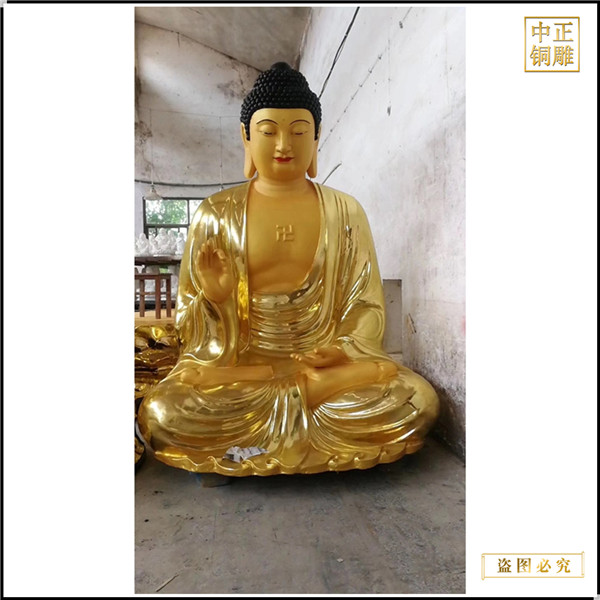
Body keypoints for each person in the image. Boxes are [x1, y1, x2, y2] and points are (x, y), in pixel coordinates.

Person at [137, 62, 439, 476]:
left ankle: (252, 447)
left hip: (325, 369)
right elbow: (189, 326)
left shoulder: (345, 212)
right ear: (246, 137)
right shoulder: (215, 215)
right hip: (243, 371)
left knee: (417, 400)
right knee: (162, 413)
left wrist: (341, 349)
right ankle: (297, 414)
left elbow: (365, 307)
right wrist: (218, 301)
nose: (284, 145)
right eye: (268, 132)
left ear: (316, 138)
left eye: (298, 132)